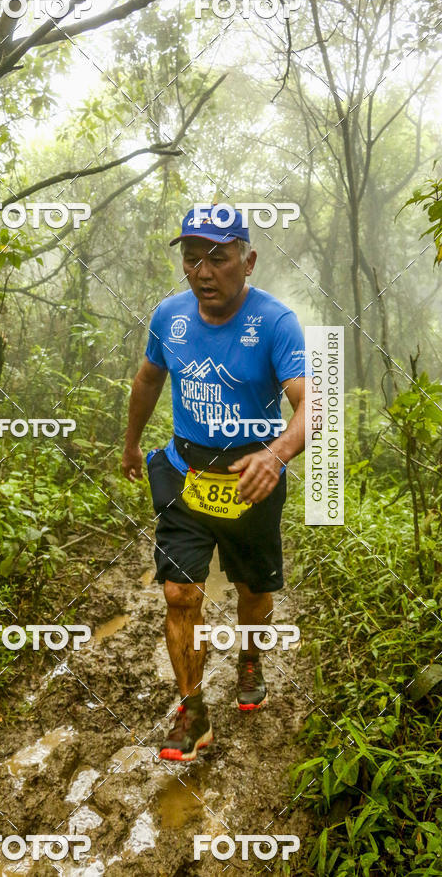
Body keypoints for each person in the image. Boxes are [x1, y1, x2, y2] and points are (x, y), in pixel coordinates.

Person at [121, 204, 306, 762]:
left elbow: (311, 404)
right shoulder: (169, 317)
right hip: (184, 474)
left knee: (254, 592)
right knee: (179, 592)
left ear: (247, 261)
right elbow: (149, 377)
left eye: (218, 258)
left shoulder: (275, 322)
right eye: (191, 257)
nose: (203, 271)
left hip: (252, 480)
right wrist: (131, 443)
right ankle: (193, 711)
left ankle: (250, 658)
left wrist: (275, 455)